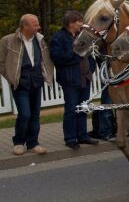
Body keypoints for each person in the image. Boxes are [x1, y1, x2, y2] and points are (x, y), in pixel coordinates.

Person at [0, 14, 54, 155]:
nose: (39, 27)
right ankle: (18, 142)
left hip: (36, 82)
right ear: (25, 26)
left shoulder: (40, 40)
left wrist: (45, 75)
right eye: (35, 25)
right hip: (20, 83)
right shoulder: (8, 40)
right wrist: (11, 77)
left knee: (35, 115)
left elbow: (45, 59)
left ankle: (33, 143)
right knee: (25, 114)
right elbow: (1, 62)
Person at [50, 10, 98, 149]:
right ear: (71, 23)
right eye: (79, 21)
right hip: (70, 80)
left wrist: (91, 69)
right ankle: (70, 138)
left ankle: (82, 136)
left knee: (83, 109)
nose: (82, 24)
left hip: (85, 78)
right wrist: (76, 53)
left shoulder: (82, 36)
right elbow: (57, 58)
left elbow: (90, 55)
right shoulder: (58, 38)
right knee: (71, 110)